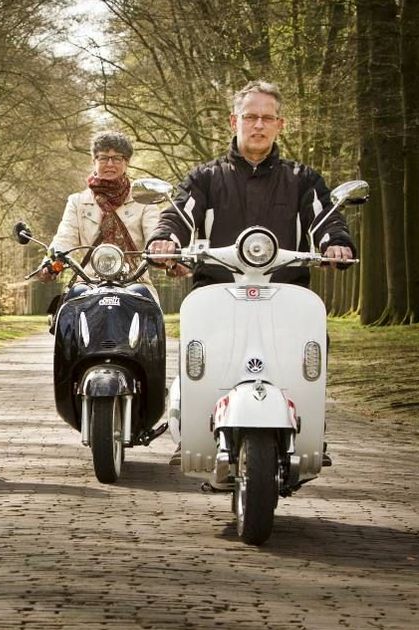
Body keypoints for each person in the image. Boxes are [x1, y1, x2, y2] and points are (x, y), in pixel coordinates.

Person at [147, 79, 356, 465]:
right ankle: (192, 433)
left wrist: (335, 242)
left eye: (266, 118)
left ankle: (311, 430)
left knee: (312, 350)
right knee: (200, 354)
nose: (258, 125)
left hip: (285, 293)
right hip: (218, 291)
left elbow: (326, 217)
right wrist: (164, 240)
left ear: (281, 124)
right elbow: (177, 215)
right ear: (233, 121)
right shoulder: (204, 178)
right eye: (250, 117)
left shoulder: (302, 179)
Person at [39, 130, 162, 307]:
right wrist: (50, 262)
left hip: (134, 280)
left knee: (144, 302)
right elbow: (65, 237)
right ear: (94, 161)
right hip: (88, 281)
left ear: (126, 162)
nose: (110, 164)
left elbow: (156, 236)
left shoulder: (144, 201)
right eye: (103, 158)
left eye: (117, 158)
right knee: (71, 305)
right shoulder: (77, 202)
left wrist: (164, 253)